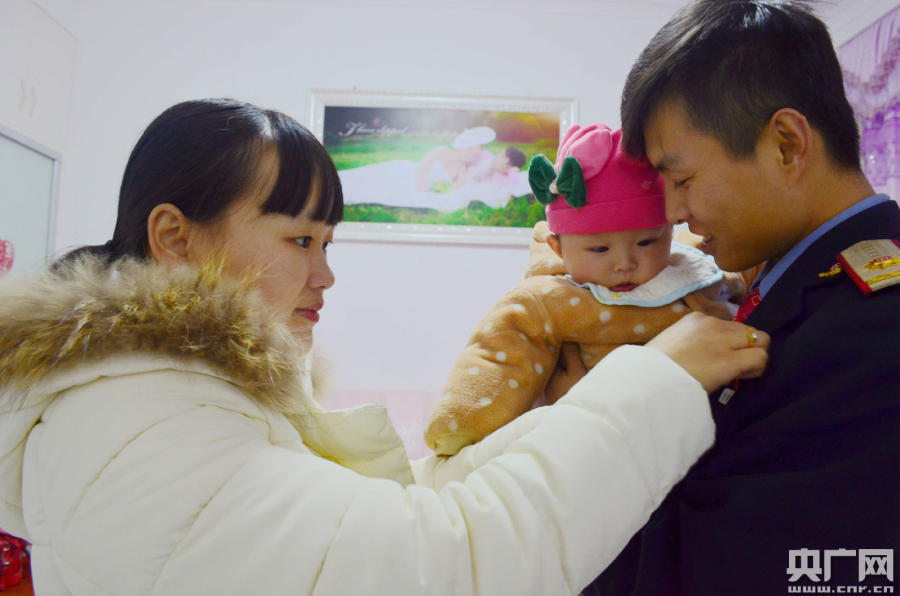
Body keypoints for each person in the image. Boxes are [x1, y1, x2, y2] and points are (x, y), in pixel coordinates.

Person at [0, 98, 768, 595]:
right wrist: (653, 383)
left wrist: (556, 418)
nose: (325, 275)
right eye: (300, 240)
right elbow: (446, 563)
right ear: (175, 236)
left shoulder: (155, 390)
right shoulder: (142, 426)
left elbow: (366, 525)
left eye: (327, 242)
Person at [584, 1, 900, 594]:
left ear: (786, 145)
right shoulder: (790, 275)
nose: (672, 212)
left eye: (682, 180)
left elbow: (759, 565)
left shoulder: (875, 326)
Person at [424, 122, 749, 455]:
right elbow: (500, 352)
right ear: (558, 248)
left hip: (706, 438)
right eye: (600, 249)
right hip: (596, 444)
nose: (625, 263)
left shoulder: (690, 264)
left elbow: (736, 281)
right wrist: (463, 425)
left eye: (646, 242)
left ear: (670, 230)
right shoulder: (548, 299)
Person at [414, 125, 495, 192]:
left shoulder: (462, 169)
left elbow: (457, 190)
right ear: (462, 145)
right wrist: (422, 189)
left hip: (431, 191)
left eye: (475, 155)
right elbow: (420, 170)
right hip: (416, 181)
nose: (470, 156)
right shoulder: (441, 151)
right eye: (469, 149)